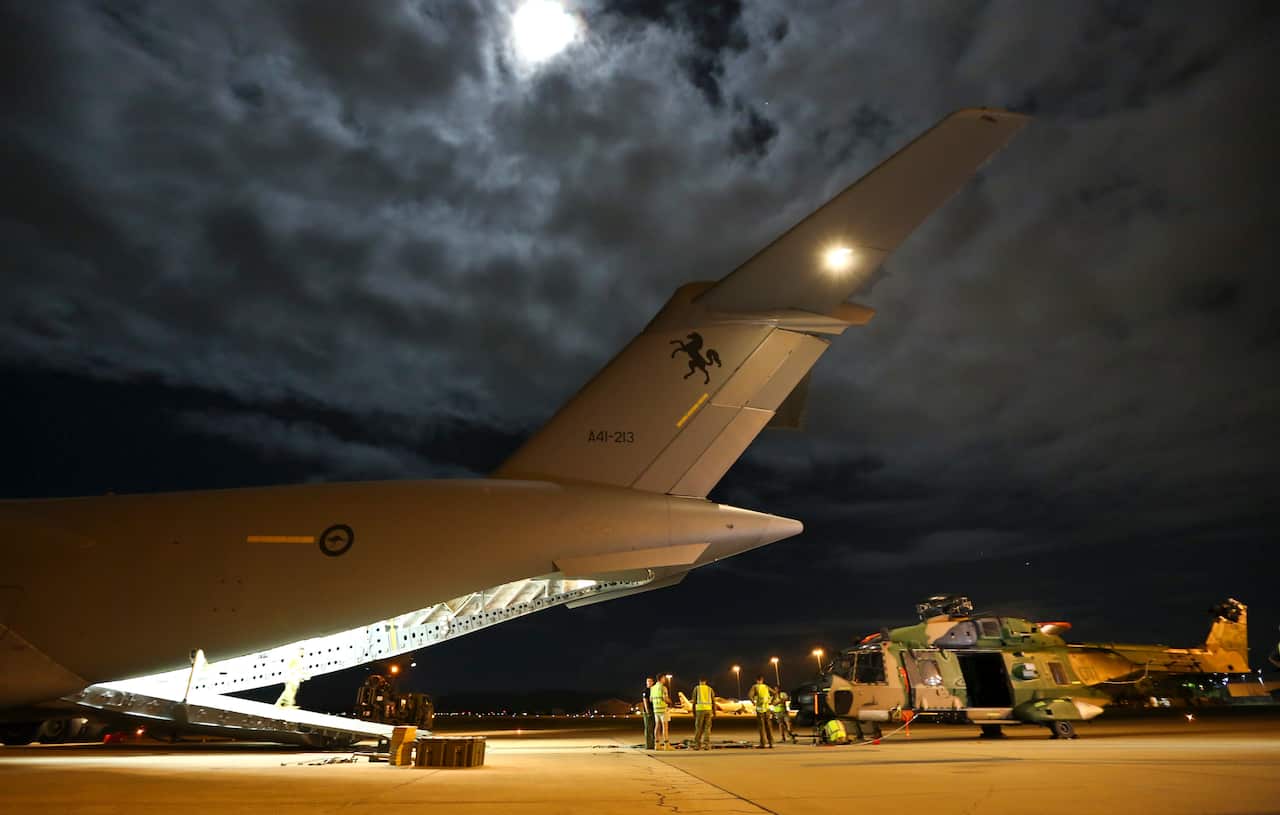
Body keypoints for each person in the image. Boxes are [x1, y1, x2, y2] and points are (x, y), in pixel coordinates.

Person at [749, 675, 773, 748]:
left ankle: (763, 743)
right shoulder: (766, 686)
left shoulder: (755, 687)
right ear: (762, 680)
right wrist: (771, 701)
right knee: (768, 726)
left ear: (757, 680)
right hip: (767, 709)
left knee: (761, 727)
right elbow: (774, 693)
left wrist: (753, 702)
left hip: (760, 710)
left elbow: (750, 695)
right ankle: (771, 743)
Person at [691, 677, 715, 750]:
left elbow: (694, 701)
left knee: (698, 728)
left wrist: (693, 711)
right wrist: (714, 711)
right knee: (707, 728)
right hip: (708, 710)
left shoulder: (697, 688)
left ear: (699, 681)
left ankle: (697, 745)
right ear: (705, 681)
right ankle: (706, 745)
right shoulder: (710, 689)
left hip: (699, 710)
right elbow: (713, 701)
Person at [651, 674, 672, 749]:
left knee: (657, 726)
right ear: (661, 679)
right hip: (663, 709)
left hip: (656, 709)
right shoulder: (663, 688)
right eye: (664, 678)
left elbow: (651, 699)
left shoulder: (652, 688)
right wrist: (670, 701)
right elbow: (665, 698)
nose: (665, 680)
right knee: (665, 727)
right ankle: (666, 745)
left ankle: (657, 744)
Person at [641, 676, 656, 749]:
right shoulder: (645, 690)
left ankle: (653, 743)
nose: (648, 683)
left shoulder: (654, 690)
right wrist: (647, 711)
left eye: (650, 681)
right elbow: (645, 701)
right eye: (647, 681)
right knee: (648, 728)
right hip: (648, 711)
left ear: (653, 682)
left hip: (654, 710)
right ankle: (648, 744)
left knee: (653, 728)